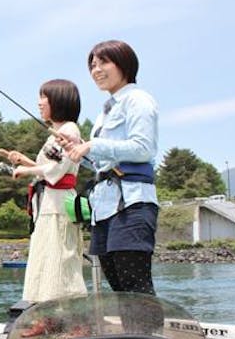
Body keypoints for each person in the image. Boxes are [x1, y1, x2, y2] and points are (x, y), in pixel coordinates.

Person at [57, 40, 159, 295]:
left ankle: (145, 334)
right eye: (92, 65)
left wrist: (92, 145)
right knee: (119, 288)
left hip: (132, 205)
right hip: (103, 210)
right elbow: (105, 164)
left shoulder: (138, 99)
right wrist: (79, 148)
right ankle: (131, 335)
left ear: (124, 63)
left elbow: (143, 148)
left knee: (136, 288)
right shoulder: (106, 111)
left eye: (104, 62)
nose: (96, 70)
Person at [4, 79, 88, 302]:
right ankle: (48, 314)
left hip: (58, 206)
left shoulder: (69, 129)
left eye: (43, 97)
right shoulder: (58, 133)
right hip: (51, 204)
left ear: (58, 100)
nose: (39, 103)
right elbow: (51, 169)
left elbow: (55, 170)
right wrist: (25, 161)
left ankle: (60, 316)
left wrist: (25, 169)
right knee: (47, 259)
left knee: (57, 260)